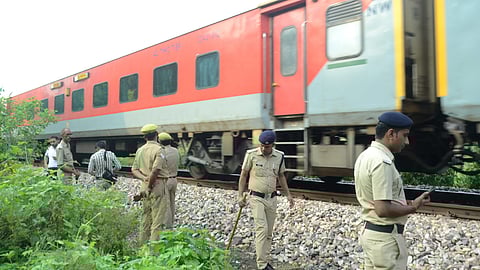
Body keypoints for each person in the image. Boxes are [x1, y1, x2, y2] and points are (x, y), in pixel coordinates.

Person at [354, 112, 431, 270]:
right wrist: (413, 207)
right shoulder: (382, 162)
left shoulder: (365, 156)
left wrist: (408, 203)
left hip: (372, 236)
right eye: (405, 135)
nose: (407, 141)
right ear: (391, 134)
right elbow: (382, 209)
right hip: (385, 241)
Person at [238, 130, 295, 270]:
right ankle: (262, 265)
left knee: (269, 232)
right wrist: (240, 195)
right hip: (256, 197)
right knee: (261, 229)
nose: (264, 148)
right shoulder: (251, 155)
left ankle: (265, 258)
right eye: (262, 145)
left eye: (267, 146)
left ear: (273, 145)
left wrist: (288, 195)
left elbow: (281, 176)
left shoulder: (279, 156)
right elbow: (243, 175)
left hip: (272, 198)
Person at [132, 124, 170, 243]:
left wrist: (144, 179)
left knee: (146, 218)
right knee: (157, 221)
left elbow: (134, 169)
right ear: (156, 135)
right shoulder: (159, 150)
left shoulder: (140, 150)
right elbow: (156, 170)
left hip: (144, 187)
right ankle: (154, 252)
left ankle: (142, 247)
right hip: (157, 186)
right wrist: (150, 184)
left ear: (145, 137)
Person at [158, 132, 180, 228]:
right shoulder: (175, 150)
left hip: (165, 180)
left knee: (166, 204)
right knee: (172, 203)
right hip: (174, 179)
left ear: (160, 141)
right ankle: (171, 222)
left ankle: (168, 227)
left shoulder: (162, 152)